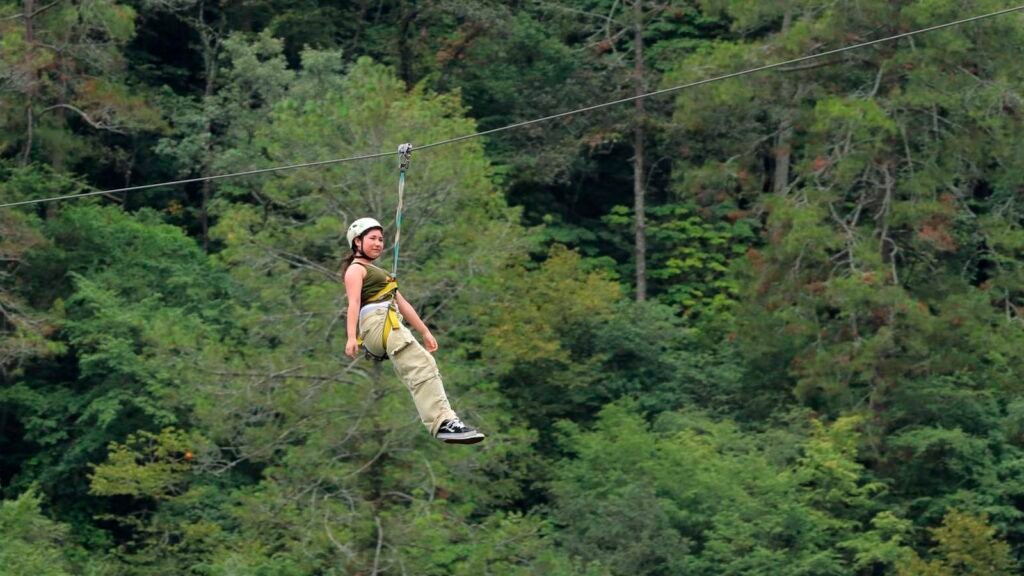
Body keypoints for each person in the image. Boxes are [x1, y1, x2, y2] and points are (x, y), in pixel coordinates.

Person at [342, 217, 485, 444]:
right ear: (357, 242)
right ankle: (442, 422)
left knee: (421, 367)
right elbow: (353, 303)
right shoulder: (356, 269)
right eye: (372, 238)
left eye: (381, 239)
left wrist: (425, 331)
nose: (379, 243)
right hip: (378, 323)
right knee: (422, 365)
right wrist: (351, 337)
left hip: (387, 323)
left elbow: (404, 304)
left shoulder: (379, 273)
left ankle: (443, 420)